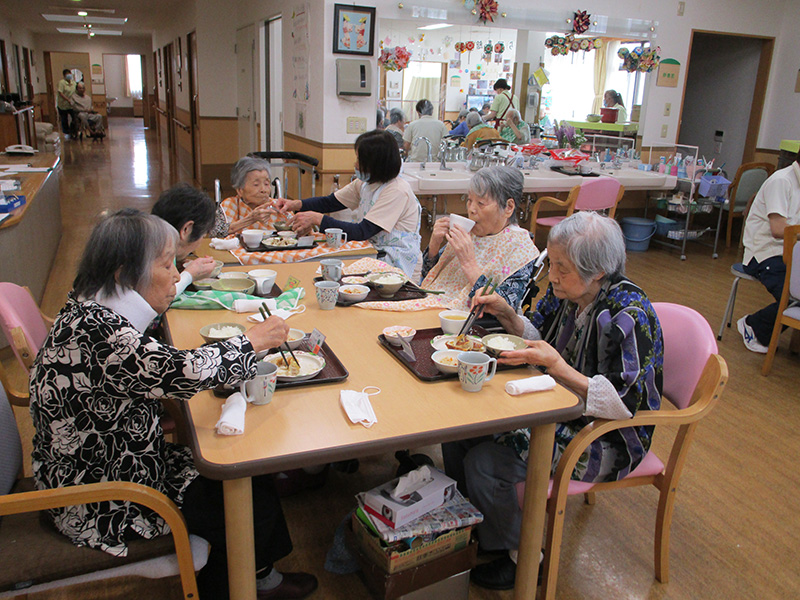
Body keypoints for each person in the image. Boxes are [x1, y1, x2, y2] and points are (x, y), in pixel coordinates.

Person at [28, 209, 318, 600]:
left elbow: (157, 369)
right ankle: (241, 587)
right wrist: (252, 341)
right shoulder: (102, 334)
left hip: (107, 463)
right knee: (242, 492)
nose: (177, 274)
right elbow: (184, 372)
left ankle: (257, 576)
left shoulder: (90, 305)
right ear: (123, 272)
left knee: (247, 479)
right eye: (167, 265)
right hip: (104, 498)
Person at [442, 211, 663, 590]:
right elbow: (538, 332)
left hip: (607, 436)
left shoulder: (629, 314)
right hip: (558, 405)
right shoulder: (570, 292)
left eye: (562, 268)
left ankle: (524, 556)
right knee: (459, 431)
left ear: (597, 272)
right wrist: (509, 316)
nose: (553, 275)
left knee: (484, 460)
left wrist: (558, 367)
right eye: (552, 263)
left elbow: (625, 404)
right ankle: (477, 526)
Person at [275, 130, 422, 278]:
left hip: (398, 262)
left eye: (360, 160)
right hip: (374, 253)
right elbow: (330, 202)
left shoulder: (396, 190)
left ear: (376, 163)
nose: (356, 165)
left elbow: (363, 231)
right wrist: (294, 204)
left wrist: (318, 219)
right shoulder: (365, 184)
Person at [420, 167, 539, 311]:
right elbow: (429, 278)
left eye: (481, 203)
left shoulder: (520, 247)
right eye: (470, 201)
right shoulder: (469, 233)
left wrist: (469, 264)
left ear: (508, 207)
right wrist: (434, 245)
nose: (471, 209)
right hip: (430, 304)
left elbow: (505, 311)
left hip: (466, 321)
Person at [738, 151, 800, 353]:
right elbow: (778, 229)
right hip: (765, 253)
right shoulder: (782, 181)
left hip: (791, 253)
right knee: (794, 296)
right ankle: (753, 325)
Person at [151, 183, 218, 297]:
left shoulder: (151, 236)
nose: (201, 241)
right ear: (186, 229)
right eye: (203, 235)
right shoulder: (155, 256)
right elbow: (163, 297)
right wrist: (190, 275)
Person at [221, 156, 279, 235]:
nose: (263, 190)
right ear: (240, 190)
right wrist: (251, 219)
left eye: (266, 183)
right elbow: (216, 233)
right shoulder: (229, 205)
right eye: (256, 184)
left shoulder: (277, 206)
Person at [56, 68, 77, 138]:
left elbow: (76, 91)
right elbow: (60, 93)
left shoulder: (73, 83)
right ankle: (66, 132)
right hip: (63, 104)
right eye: (67, 74)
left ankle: (73, 130)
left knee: (75, 117)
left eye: (69, 74)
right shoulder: (61, 83)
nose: (69, 76)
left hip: (72, 104)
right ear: (64, 75)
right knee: (64, 119)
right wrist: (67, 99)